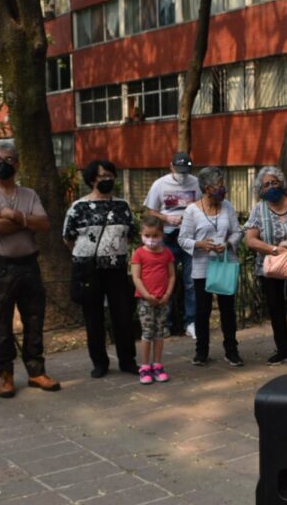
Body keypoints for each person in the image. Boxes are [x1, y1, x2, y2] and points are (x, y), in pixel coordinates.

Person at [0, 142, 60, 398]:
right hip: (0, 266)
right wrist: (26, 222)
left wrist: (14, 215)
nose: (3, 163)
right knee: (0, 321)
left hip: (29, 264)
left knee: (34, 319)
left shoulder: (29, 194)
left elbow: (44, 224)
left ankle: (36, 372)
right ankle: (6, 375)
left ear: (18, 164)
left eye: (9, 159)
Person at [63, 159, 138, 377]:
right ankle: (99, 362)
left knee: (123, 315)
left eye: (110, 175)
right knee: (93, 317)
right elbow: (68, 238)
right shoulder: (78, 207)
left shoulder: (122, 206)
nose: (107, 180)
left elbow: (131, 234)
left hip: (116, 269)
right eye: (102, 176)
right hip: (89, 270)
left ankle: (127, 360)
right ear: (91, 179)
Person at [178, 166, 244, 367]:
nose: (223, 190)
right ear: (207, 188)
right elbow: (183, 239)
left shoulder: (228, 206)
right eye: (220, 186)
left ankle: (231, 351)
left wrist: (229, 243)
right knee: (202, 310)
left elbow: (238, 231)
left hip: (225, 265)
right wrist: (200, 244)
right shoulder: (192, 210)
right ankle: (201, 351)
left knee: (227, 310)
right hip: (202, 267)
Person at [244, 166, 287, 365]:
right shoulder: (259, 209)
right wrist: (274, 249)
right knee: (276, 309)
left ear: (281, 183)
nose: (271, 187)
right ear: (260, 189)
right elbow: (250, 240)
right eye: (266, 184)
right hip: (270, 267)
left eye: (274, 182)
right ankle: (283, 349)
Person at [144, 152, 202, 339]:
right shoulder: (159, 185)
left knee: (191, 281)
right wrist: (166, 218)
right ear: (171, 167)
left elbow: (203, 206)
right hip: (168, 237)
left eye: (185, 171)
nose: (182, 175)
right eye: (179, 171)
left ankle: (191, 322)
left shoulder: (196, 183)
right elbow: (151, 211)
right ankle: (164, 323)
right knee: (164, 280)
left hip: (190, 237)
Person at [131, 215, 175, 384]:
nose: (151, 240)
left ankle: (157, 364)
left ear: (162, 235)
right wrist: (147, 295)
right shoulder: (139, 253)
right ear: (141, 235)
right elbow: (136, 278)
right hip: (145, 300)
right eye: (147, 236)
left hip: (163, 300)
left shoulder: (167, 253)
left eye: (155, 236)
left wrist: (167, 294)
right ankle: (145, 366)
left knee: (159, 332)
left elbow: (171, 276)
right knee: (147, 333)